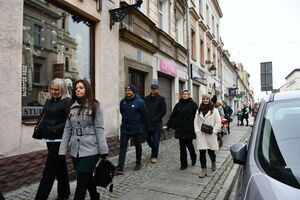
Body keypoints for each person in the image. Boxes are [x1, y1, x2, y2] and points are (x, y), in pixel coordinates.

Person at [59, 80, 109, 200]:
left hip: (92, 149)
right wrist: (62, 150)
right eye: (76, 88)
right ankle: (94, 196)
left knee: (81, 180)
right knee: (86, 176)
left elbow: (99, 129)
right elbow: (67, 130)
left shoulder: (95, 105)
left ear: (87, 89)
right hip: (76, 150)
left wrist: (103, 150)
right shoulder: (71, 108)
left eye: (81, 87)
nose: (78, 90)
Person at [35, 78, 71, 200]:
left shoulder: (67, 101)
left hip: (59, 140)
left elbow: (69, 122)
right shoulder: (49, 100)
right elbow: (44, 115)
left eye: (57, 89)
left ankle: (40, 197)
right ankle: (64, 193)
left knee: (49, 169)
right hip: (49, 138)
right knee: (60, 167)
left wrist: (56, 129)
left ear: (63, 89)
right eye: (52, 89)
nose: (54, 91)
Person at [114, 84, 147, 175]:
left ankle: (138, 163)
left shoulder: (140, 102)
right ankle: (120, 167)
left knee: (137, 145)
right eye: (126, 91)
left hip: (136, 128)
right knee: (123, 147)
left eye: (129, 90)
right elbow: (122, 111)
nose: (127, 92)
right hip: (125, 128)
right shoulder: (123, 102)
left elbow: (144, 116)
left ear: (133, 91)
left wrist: (138, 123)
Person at [166, 90, 198, 170]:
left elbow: (198, 117)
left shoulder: (193, 105)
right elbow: (173, 115)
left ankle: (193, 157)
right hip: (180, 128)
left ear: (189, 95)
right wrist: (169, 125)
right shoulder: (178, 105)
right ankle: (183, 164)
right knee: (182, 147)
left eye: (186, 94)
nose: (184, 95)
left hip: (189, 128)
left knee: (190, 145)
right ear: (181, 95)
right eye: (183, 94)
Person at [194, 94, 221, 178]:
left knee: (211, 151)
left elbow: (218, 122)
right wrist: (197, 131)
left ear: (209, 100)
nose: (205, 100)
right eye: (204, 99)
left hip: (210, 134)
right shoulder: (199, 110)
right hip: (201, 134)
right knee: (202, 152)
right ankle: (203, 169)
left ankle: (213, 162)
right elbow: (195, 122)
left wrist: (214, 131)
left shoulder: (214, 110)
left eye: (207, 99)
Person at [143, 84, 166, 164]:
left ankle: (154, 156)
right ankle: (154, 148)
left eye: (155, 89)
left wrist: (156, 118)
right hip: (146, 124)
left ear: (157, 90)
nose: (153, 90)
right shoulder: (145, 99)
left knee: (156, 141)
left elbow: (163, 111)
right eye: (152, 89)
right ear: (151, 89)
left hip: (156, 124)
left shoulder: (161, 99)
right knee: (147, 137)